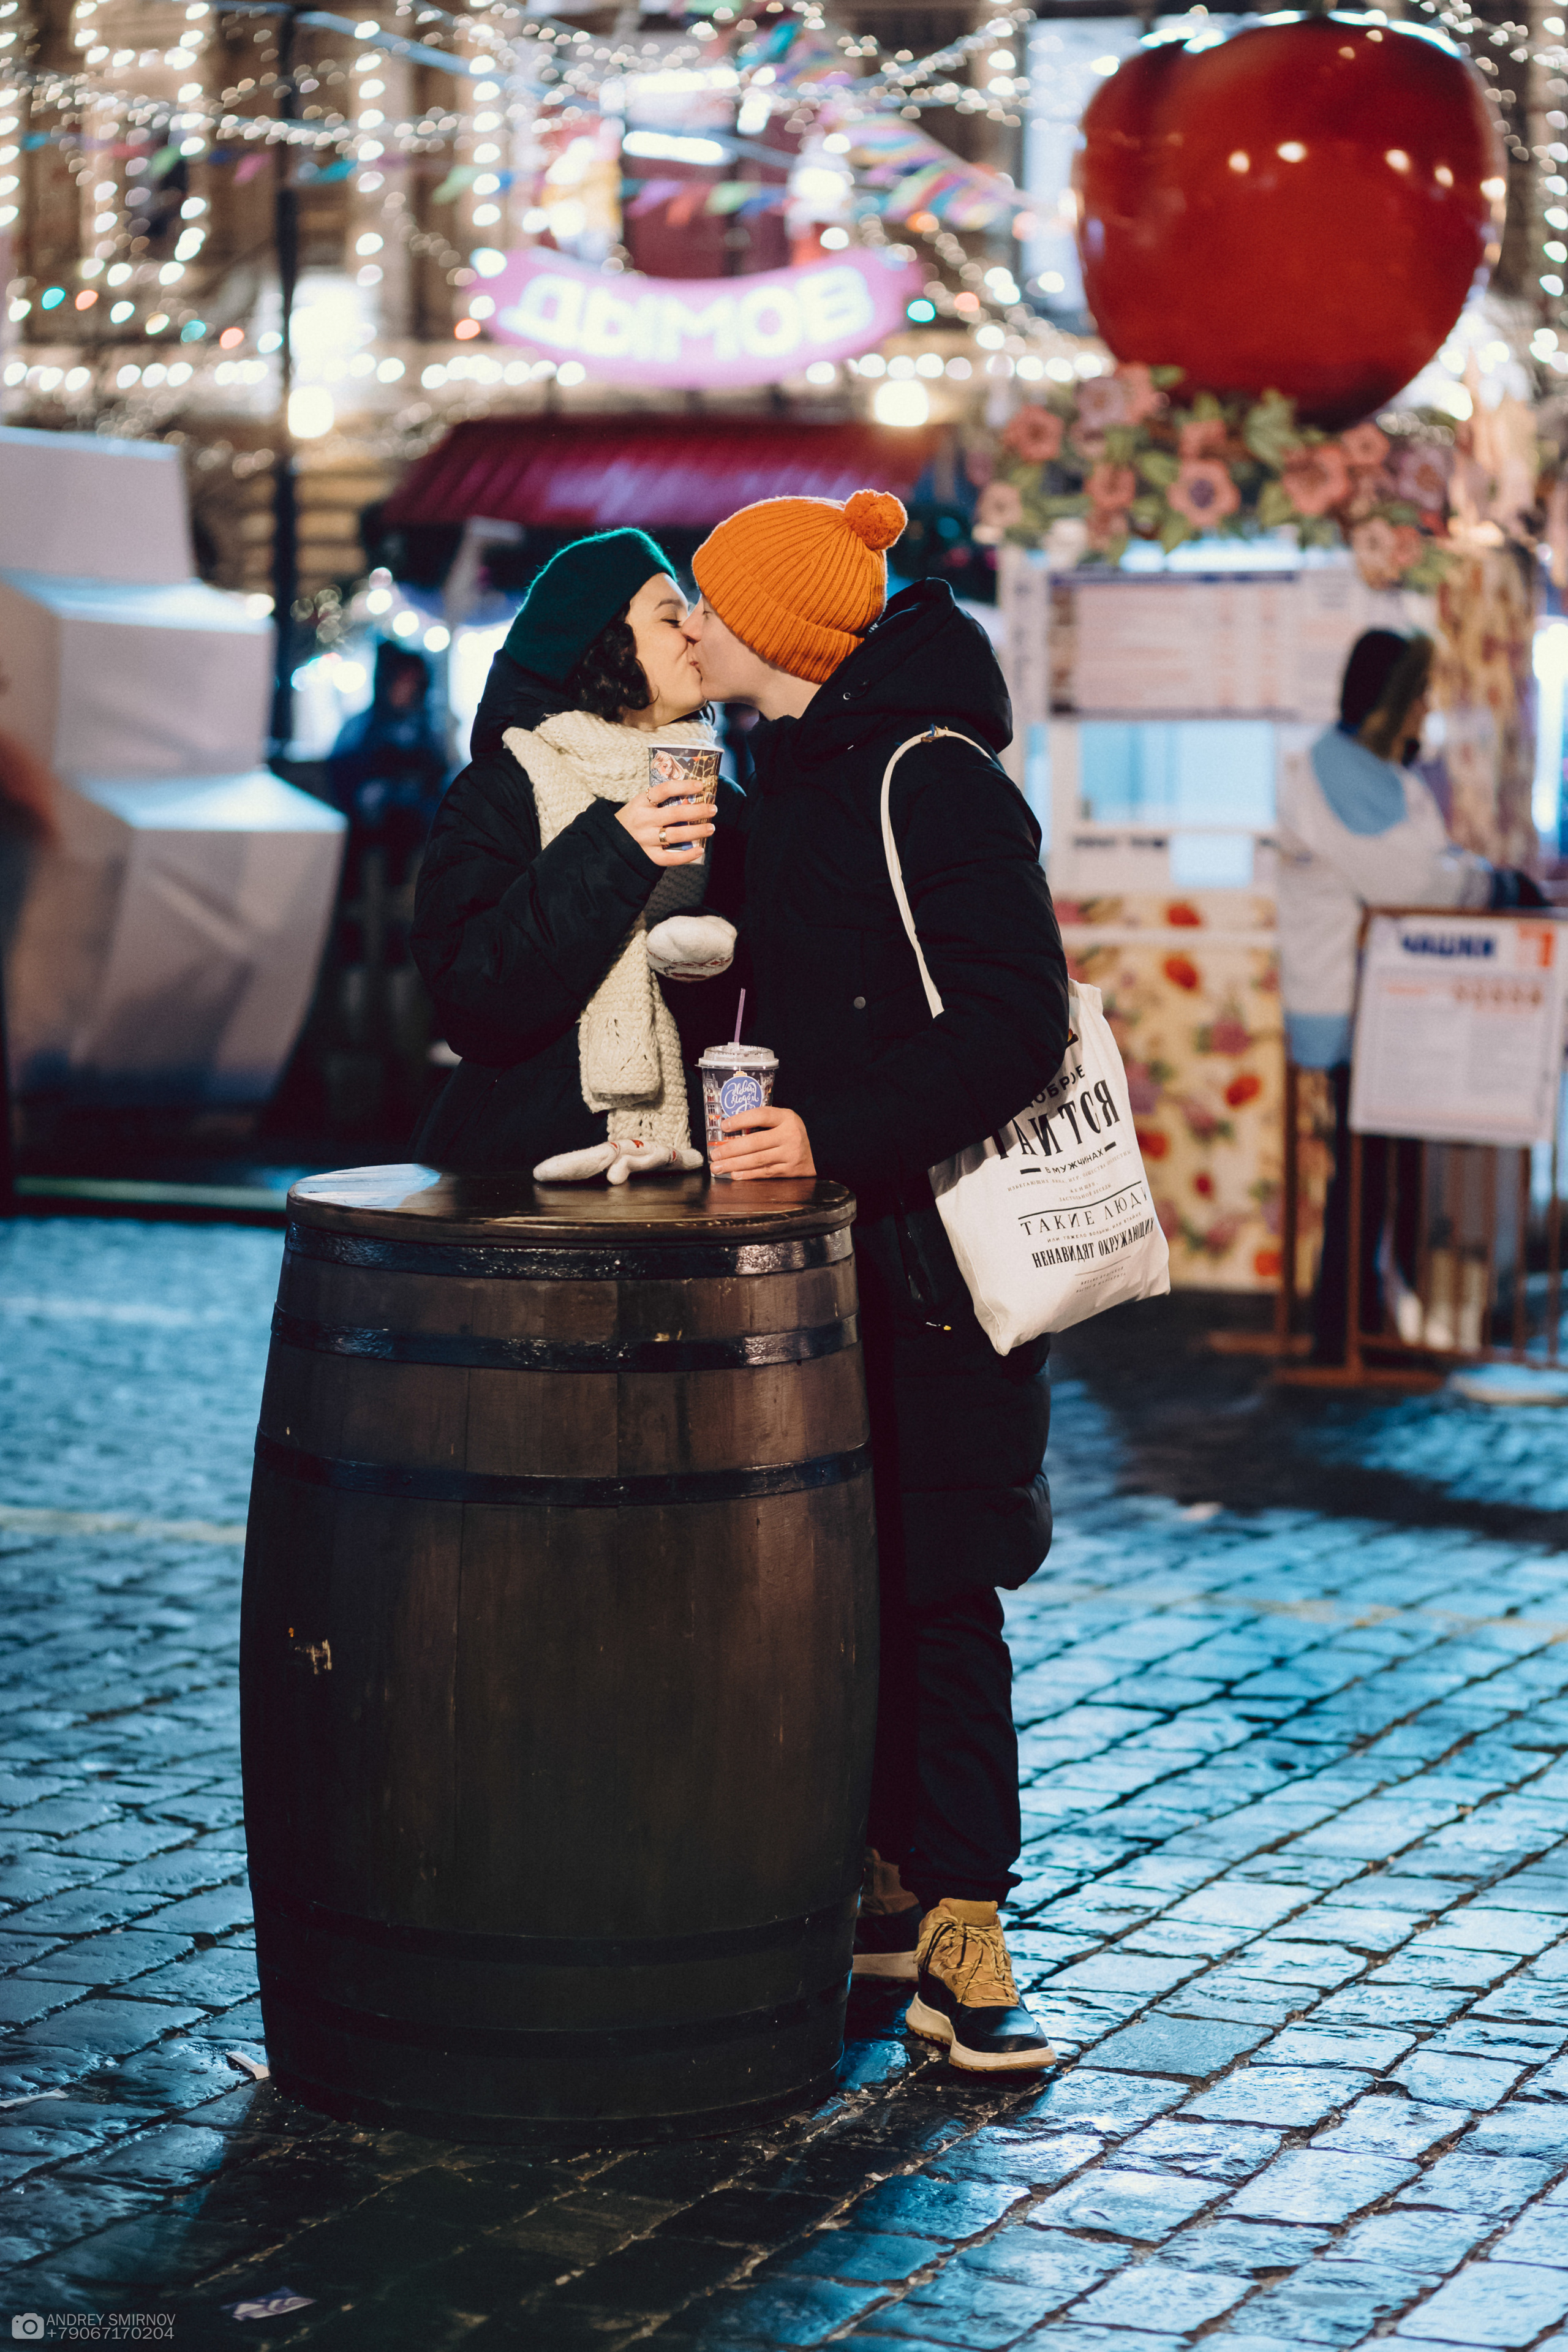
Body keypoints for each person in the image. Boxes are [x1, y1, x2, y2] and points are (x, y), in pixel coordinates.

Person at [682, 489, 1071, 2075]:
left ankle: (969, 1934)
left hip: (929, 1268)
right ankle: (890, 1889)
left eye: (709, 604)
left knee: (939, 1583)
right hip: (820, 1271)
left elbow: (1015, 1020)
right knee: (849, 1587)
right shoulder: (786, 775)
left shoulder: (932, 776)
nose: (690, 623)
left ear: (778, 631)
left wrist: (823, 1133)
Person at [410, 529, 741, 1177]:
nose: (693, 632)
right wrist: (616, 849)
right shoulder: (502, 788)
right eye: (669, 617)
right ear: (604, 644)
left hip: (687, 1165)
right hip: (521, 1170)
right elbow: (471, 1000)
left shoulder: (721, 800)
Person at [1277, 627, 1543, 1359]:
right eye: (1420, 692)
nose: (1429, 706)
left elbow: (1423, 866)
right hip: (1351, 1002)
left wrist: (1481, 882)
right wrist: (1496, 887)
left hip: (1369, 1001)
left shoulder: (1360, 768)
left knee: (1376, 1174)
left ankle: (1359, 1323)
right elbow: (1412, 878)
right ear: (1391, 697)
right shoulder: (1341, 772)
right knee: (1366, 1175)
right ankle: (1342, 1334)